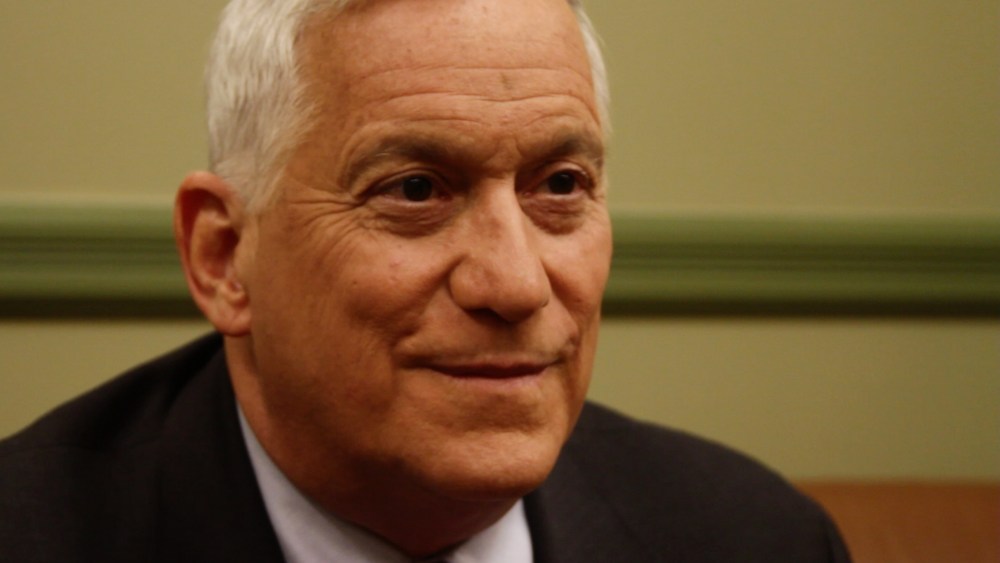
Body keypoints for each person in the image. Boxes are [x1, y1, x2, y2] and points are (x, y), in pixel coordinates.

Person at [0, 0, 850, 561]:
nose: (515, 284)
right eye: (414, 190)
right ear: (224, 256)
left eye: (560, 185)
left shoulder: (756, 539)